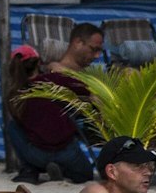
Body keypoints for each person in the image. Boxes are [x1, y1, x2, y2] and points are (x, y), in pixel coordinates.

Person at [6, 24, 104, 184]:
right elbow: (85, 89)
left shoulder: (16, 92)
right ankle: (62, 168)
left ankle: (29, 170)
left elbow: (20, 123)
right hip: (65, 150)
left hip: (36, 153)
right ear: (39, 63)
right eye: (94, 49)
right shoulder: (55, 79)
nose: (97, 55)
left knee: (12, 127)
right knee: (84, 175)